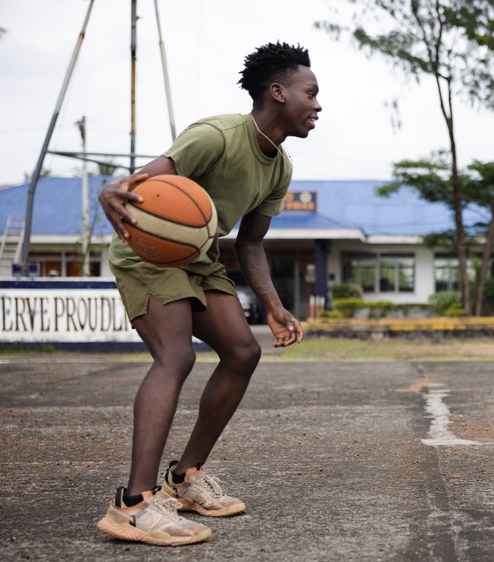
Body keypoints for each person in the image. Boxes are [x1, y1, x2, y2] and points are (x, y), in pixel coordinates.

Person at [95, 42, 318, 545]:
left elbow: (252, 243)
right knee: (175, 358)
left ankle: (185, 478)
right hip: (148, 253)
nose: (318, 105)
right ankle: (132, 505)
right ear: (278, 92)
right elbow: (142, 181)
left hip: (200, 257)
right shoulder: (217, 135)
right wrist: (112, 186)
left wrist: (276, 305)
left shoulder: (280, 167)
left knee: (242, 352)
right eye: (311, 92)